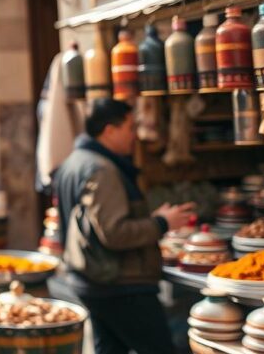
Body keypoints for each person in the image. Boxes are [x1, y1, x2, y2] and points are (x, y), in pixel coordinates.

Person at [54, 98, 194, 354]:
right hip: (120, 286)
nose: (135, 136)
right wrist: (162, 223)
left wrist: (149, 217)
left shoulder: (74, 161)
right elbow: (114, 233)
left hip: (93, 281)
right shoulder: (101, 169)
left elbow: (98, 222)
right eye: (130, 128)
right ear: (109, 130)